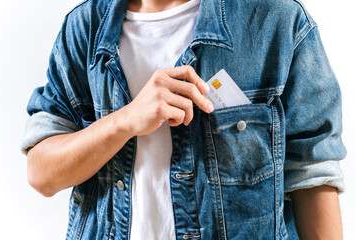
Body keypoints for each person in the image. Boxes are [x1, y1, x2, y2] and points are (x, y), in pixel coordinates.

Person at [21, 0, 346, 239]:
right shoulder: (84, 28)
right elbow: (42, 173)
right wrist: (125, 121)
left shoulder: (277, 20)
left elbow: (313, 177)